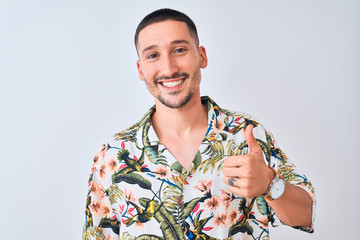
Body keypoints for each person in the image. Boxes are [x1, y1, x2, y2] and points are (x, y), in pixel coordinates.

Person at [82, 8, 315, 240]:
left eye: (179, 50)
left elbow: (306, 215)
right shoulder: (114, 153)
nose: (169, 68)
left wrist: (269, 184)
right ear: (140, 69)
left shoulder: (246, 133)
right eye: (153, 55)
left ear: (201, 56)